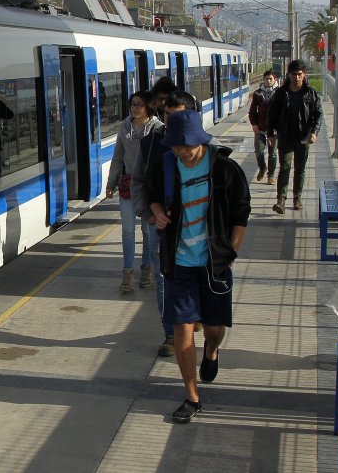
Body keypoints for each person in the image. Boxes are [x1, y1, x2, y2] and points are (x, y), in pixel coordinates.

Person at [145, 109, 251, 424]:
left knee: (214, 329)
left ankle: (212, 351)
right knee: (183, 329)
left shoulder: (225, 169)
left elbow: (241, 210)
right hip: (178, 262)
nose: (180, 151)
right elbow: (150, 194)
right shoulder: (165, 166)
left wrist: (232, 249)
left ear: (200, 141)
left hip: (214, 262)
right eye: (175, 145)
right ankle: (192, 396)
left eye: (186, 146)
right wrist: (157, 211)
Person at [131, 90, 197, 357]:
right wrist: (147, 213)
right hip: (158, 226)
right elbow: (138, 181)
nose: (171, 122)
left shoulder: (209, 147)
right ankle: (170, 333)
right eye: (168, 116)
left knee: (194, 275)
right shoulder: (150, 144)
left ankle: (193, 318)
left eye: (178, 116)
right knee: (162, 278)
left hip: (195, 228)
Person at [106, 90, 164, 293]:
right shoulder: (124, 127)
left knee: (148, 231)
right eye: (133, 104)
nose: (135, 107)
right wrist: (111, 183)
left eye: (139, 104)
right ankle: (127, 272)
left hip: (149, 188)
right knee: (128, 231)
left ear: (148, 106)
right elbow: (118, 157)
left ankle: (146, 268)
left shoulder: (158, 129)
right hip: (128, 185)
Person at [267, 59, 323, 214]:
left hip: (303, 137)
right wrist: (270, 133)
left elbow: (318, 114)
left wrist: (314, 132)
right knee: (284, 167)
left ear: (304, 74)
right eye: (293, 74)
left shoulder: (310, 92)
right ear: (289, 75)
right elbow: (272, 114)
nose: (296, 77)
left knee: (300, 169)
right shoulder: (281, 93)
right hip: (285, 136)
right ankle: (281, 200)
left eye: (299, 74)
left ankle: (297, 197)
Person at [248, 69, 279, 185]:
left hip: (274, 129)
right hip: (260, 128)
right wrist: (254, 124)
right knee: (258, 151)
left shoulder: (279, 92)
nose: (268, 81)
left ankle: (271, 176)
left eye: (271, 79)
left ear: (274, 80)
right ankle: (262, 167)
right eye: (266, 79)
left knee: (272, 153)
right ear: (263, 80)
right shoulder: (257, 93)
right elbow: (252, 111)